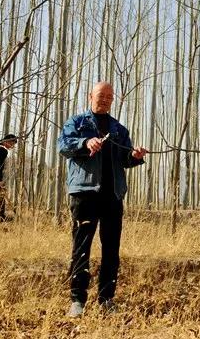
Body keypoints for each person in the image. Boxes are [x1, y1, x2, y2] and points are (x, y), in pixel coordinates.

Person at [57, 81, 147, 318]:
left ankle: (106, 299)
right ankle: (77, 300)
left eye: (109, 96)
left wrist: (135, 155)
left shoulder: (118, 129)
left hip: (113, 196)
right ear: (90, 96)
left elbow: (125, 159)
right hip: (84, 194)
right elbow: (63, 146)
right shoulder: (76, 123)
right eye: (101, 95)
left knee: (111, 250)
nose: (105, 99)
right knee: (81, 248)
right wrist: (85, 143)